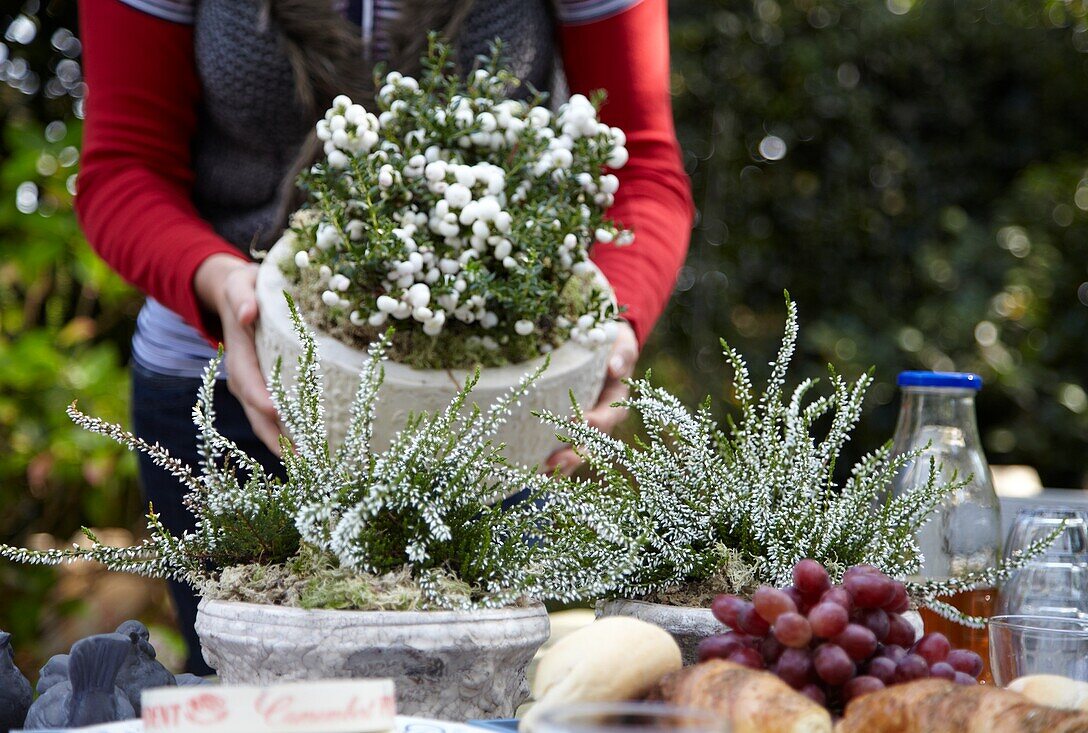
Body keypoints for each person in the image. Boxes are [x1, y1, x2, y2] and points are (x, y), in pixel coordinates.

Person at [76, 0, 693, 674]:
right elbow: (123, 168)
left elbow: (644, 166)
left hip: (491, 400)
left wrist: (614, 324)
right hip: (228, 379)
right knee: (257, 694)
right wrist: (219, 285)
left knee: (472, 690)